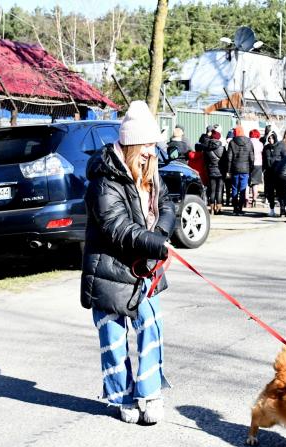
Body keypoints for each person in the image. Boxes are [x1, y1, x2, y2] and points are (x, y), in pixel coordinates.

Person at [80, 100, 175, 425]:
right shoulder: (104, 182)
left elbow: (167, 206)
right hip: (109, 271)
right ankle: (122, 397)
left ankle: (150, 394)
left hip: (145, 269)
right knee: (113, 337)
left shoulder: (151, 171)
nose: (153, 151)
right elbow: (117, 228)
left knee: (151, 328)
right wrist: (158, 244)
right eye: (148, 145)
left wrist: (161, 234)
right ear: (132, 144)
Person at [226, 125, 254, 215]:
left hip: (235, 169)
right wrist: (251, 168)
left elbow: (229, 158)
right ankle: (241, 208)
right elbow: (252, 158)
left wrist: (228, 170)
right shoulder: (249, 142)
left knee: (234, 188)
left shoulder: (232, 142)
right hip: (245, 169)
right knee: (243, 189)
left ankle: (235, 208)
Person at [262, 131, 286, 216]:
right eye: (269, 138)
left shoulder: (281, 146)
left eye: (272, 138)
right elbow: (264, 160)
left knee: (281, 192)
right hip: (269, 173)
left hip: (278, 173)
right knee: (270, 193)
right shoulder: (266, 148)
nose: (270, 140)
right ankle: (272, 209)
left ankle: (283, 210)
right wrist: (263, 171)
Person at [202, 129, 225, 214]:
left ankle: (211, 208)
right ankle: (218, 209)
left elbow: (205, 161)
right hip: (220, 171)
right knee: (219, 190)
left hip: (211, 171)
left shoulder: (207, 149)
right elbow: (225, 160)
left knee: (212, 190)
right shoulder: (222, 148)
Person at [248, 129, 264, 207]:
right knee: (255, 183)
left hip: (248, 164)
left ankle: (246, 199)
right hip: (258, 164)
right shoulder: (260, 144)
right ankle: (254, 199)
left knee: (247, 183)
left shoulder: (248, 142)